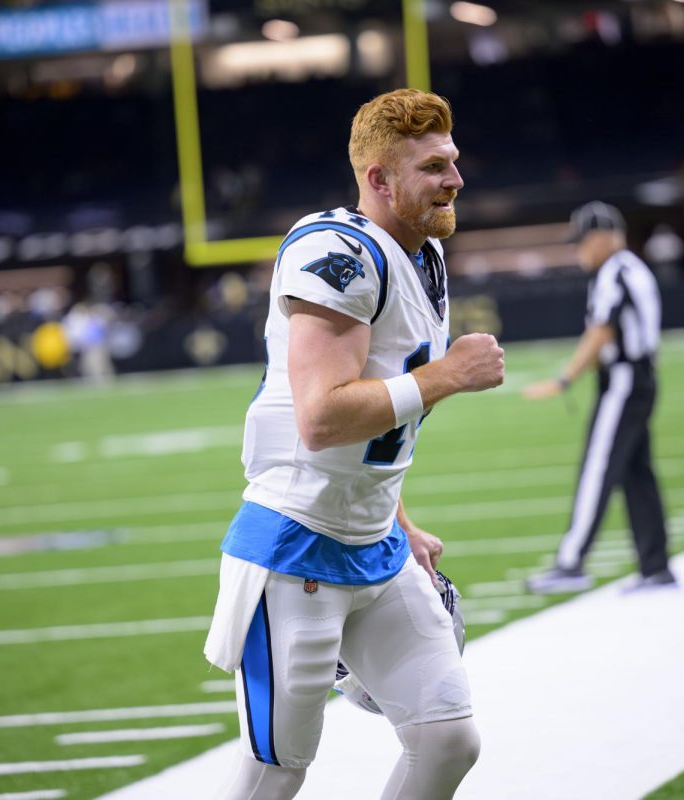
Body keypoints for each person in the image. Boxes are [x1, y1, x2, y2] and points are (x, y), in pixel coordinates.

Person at [203, 88, 504, 800]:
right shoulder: (336, 254)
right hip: (297, 544)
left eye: (453, 161)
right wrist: (446, 376)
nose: (454, 179)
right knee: (275, 771)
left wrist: (400, 519)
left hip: (375, 542)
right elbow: (321, 419)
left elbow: (370, 434)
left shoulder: (422, 253)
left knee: (447, 740)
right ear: (379, 178)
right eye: (433, 166)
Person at [522, 201, 676, 594]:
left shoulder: (615, 271)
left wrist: (563, 380)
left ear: (604, 237)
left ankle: (571, 561)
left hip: (624, 380)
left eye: (583, 242)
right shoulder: (629, 268)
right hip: (638, 378)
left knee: (599, 467)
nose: (580, 252)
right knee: (637, 473)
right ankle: (656, 567)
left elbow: (602, 332)